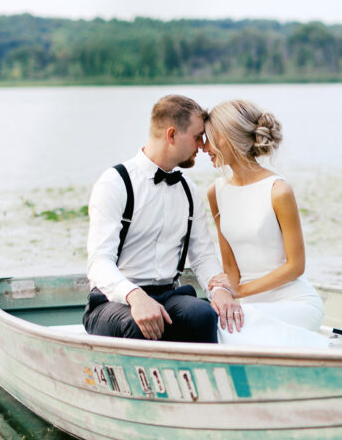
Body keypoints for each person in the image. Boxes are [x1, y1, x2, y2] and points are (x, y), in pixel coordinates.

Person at [83, 94, 243, 343]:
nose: (202, 146)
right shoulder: (115, 183)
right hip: (113, 301)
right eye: (197, 136)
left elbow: (203, 256)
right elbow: (99, 262)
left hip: (169, 296)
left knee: (203, 315)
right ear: (171, 136)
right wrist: (134, 296)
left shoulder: (189, 190)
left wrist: (219, 291)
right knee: (137, 325)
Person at [204, 99, 337, 348]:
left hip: (295, 304)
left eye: (209, 139)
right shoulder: (216, 193)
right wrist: (224, 290)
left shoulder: (278, 190)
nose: (203, 148)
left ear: (227, 137)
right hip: (250, 307)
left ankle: (321, 349)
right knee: (215, 320)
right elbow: (231, 268)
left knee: (230, 328)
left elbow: (296, 267)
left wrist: (240, 292)